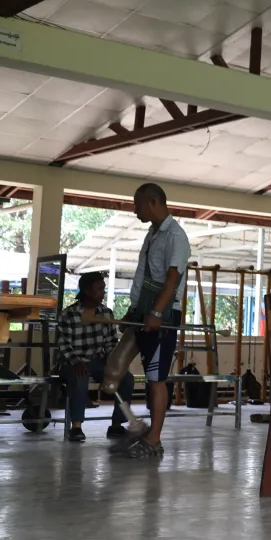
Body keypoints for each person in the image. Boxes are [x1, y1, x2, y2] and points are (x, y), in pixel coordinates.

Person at [121, 183, 190, 459]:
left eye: (137, 204)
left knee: (156, 379)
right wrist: (134, 311)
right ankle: (143, 431)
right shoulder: (152, 235)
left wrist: (158, 314)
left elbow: (173, 279)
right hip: (144, 313)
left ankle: (155, 440)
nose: (135, 210)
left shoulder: (176, 236)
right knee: (147, 378)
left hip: (162, 317)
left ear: (152, 202)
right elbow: (144, 277)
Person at [56, 271, 133, 442]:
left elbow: (111, 342)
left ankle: (116, 425)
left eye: (103, 288)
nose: (103, 292)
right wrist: (76, 362)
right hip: (73, 362)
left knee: (126, 378)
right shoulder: (68, 314)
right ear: (87, 291)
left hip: (98, 362)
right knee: (80, 376)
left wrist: (113, 363)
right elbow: (63, 344)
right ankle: (76, 427)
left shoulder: (106, 313)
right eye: (99, 289)